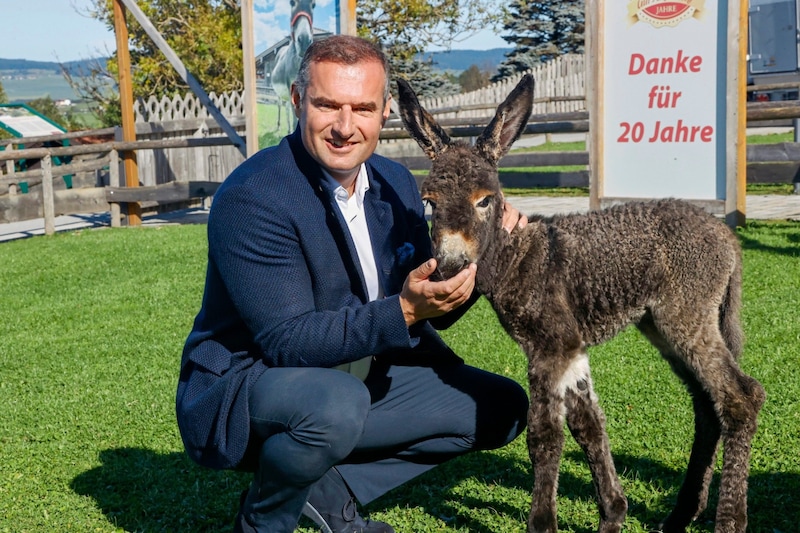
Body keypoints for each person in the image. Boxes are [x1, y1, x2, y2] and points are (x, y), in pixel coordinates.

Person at [176, 35, 529, 533]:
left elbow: (433, 301)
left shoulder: (398, 183)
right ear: (299, 101)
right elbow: (287, 342)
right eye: (327, 105)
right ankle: (262, 520)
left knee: (501, 407)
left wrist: (492, 250)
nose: (345, 127)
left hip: (358, 372)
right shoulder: (253, 198)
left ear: (385, 111)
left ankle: (328, 493)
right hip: (250, 384)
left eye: (362, 107)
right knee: (335, 407)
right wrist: (404, 312)